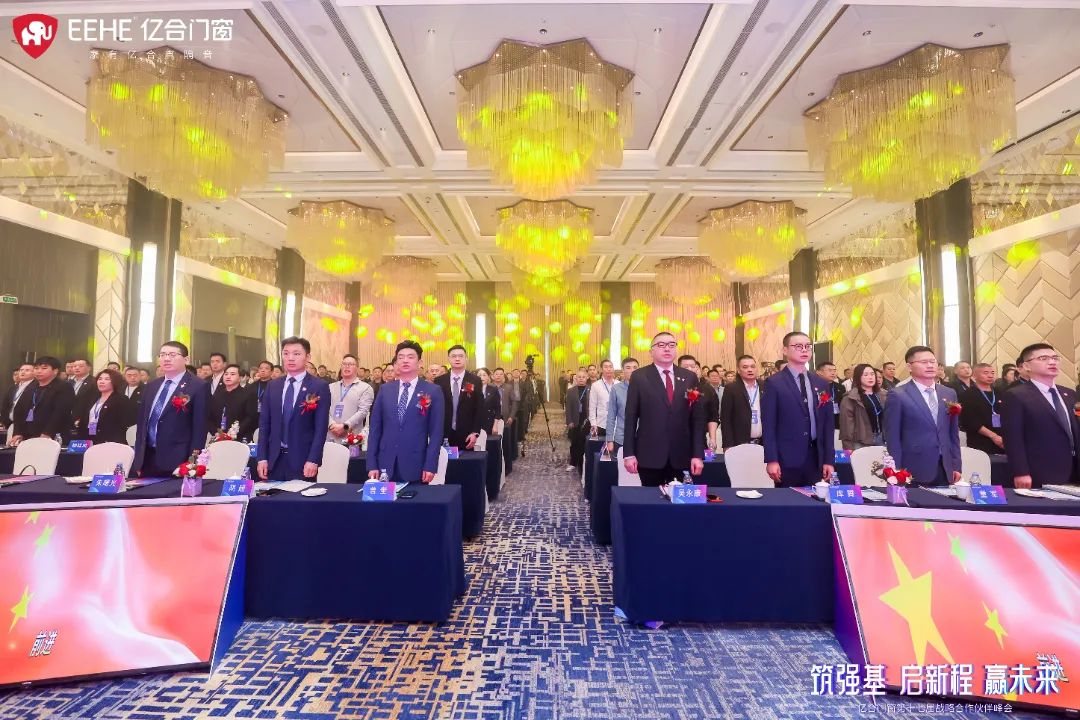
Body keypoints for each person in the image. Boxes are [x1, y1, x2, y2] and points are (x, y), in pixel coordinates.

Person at [622, 332, 706, 487]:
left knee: (679, 500)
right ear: (651, 351)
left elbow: (697, 418)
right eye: (661, 345)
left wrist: (697, 454)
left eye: (671, 345)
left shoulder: (689, 377)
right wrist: (629, 453)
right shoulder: (639, 377)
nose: (667, 348)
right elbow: (631, 416)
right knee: (650, 499)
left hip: (681, 455)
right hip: (649, 454)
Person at [762, 332, 836, 487]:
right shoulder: (774, 383)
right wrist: (772, 459)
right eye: (798, 346)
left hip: (816, 457)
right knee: (788, 500)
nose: (804, 350)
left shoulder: (821, 383)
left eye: (807, 346)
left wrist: (829, 460)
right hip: (787, 457)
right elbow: (769, 424)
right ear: (785, 350)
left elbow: (828, 425)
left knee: (814, 499)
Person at [1002, 343, 1080, 488]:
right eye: (1043, 358)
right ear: (1026, 366)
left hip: (1074, 469)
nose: (1052, 362)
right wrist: (1021, 472)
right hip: (1040, 470)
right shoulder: (1016, 395)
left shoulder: (1069, 394)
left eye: (1055, 358)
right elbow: (1013, 438)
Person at [366, 340, 445, 484]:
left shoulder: (433, 391)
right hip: (385, 463)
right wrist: (371, 463)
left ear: (420, 363)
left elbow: (436, 432)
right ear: (396, 363)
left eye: (410, 357)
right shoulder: (385, 390)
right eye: (401, 357)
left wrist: (430, 465)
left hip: (416, 463)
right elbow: (375, 428)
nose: (405, 360)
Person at [883, 346, 962, 486]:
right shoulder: (898, 395)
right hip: (913, 469)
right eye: (924, 362)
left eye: (933, 361)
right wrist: (896, 471)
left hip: (945, 468)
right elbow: (892, 437)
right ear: (909, 366)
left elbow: (953, 433)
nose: (930, 365)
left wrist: (956, 465)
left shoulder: (949, 393)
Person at [256, 337, 331, 481]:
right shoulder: (273, 385)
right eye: (286, 353)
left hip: (303, 460)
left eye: (296, 354)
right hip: (274, 460)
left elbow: (320, 428)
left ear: (307, 357)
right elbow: (264, 425)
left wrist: (313, 459)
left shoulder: (318, 386)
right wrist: (262, 457)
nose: (290, 358)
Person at [132, 342, 208, 478]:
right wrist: (138, 460)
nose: (166, 359)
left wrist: (192, 463)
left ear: (186, 359)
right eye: (162, 355)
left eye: (172, 355)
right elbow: (142, 424)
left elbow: (199, 428)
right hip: (147, 459)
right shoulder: (152, 386)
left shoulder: (198, 386)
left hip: (178, 461)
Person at [11, 357, 76, 446]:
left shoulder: (64, 387)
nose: (39, 371)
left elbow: (61, 412)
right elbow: (19, 410)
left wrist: (48, 432)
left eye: (44, 368)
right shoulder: (32, 386)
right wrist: (18, 432)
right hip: (28, 435)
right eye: (36, 368)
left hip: (53, 435)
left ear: (55, 371)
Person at [434, 345, 484, 450]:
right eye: (454, 356)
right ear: (448, 359)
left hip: (467, 434)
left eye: (461, 356)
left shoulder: (475, 380)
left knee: (465, 460)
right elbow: (435, 408)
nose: (457, 359)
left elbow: (479, 408)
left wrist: (475, 432)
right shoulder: (439, 381)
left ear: (466, 359)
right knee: (444, 460)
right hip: (444, 432)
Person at [73, 369, 133, 445]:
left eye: (107, 379)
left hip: (111, 441)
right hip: (90, 437)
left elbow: (123, 423)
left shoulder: (121, 399)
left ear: (115, 382)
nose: (102, 381)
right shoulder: (92, 398)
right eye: (100, 379)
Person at [959, 363, 1005, 456]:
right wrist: (993, 436)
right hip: (980, 441)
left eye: (992, 373)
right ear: (974, 376)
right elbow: (970, 421)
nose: (990, 375)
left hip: (1001, 440)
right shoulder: (968, 395)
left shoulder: (999, 392)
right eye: (986, 373)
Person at [839, 364, 886, 451]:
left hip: (881, 439)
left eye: (872, 374)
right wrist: (847, 447)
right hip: (861, 441)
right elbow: (846, 426)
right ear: (858, 377)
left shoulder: (883, 394)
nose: (870, 377)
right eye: (866, 375)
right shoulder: (850, 397)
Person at [327, 354, 374, 442]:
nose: (347, 366)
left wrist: (345, 426)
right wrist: (331, 424)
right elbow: (324, 409)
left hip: (352, 438)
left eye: (351, 364)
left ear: (357, 368)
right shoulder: (330, 387)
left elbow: (363, 412)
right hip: (330, 435)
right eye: (344, 364)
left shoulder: (365, 388)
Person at [720, 355, 763, 449]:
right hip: (739, 443)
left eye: (752, 366)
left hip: (763, 442)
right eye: (745, 367)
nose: (750, 370)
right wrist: (727, 445)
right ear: (738, 370)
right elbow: (726, 418)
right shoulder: (731, 389)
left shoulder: (765, 386)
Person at [208, 364, 259, 442]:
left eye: (232, 374)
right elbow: (209, 417)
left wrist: (233, 433)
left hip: (241, 438)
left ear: (240, 378)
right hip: (218, 438)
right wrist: (215, 432)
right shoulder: (217, 395)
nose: (228, 377)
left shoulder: (248, 394)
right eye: (226, 374)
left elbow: (251, 418)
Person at [604, 357, 638, 457]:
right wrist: (609, 439)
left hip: (643, 438)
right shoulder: (616, 389)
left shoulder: (645, 388)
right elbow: (611, 416)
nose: (632, 370)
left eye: (635, 367)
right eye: (628, 368)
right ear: (622, 370)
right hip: (622, 438)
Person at [564, 370, 590, 473]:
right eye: (579, 377)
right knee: (574, 442)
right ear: (576, 378)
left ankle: (583, 463)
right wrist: (569, 421)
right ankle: (573, 463)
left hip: (587, 420)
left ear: (587, 378)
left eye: (583, 377)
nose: (581, 379)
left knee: (585, 442)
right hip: (575, 420)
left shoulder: (591, 389)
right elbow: (568, 407)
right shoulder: (571, 391)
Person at [588, 360, 618, 442]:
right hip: (601, 424)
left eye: (610, 367)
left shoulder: (618, 384)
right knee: (601, 448)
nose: (609, 369)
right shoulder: (596, 385)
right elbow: (592, 407)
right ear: (601, 369)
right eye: (606, 367)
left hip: (617, 424)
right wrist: (593, 424)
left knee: (617, 448)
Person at [492, 367, 519, 455]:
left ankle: (507, 459)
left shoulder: (509, 387)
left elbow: (514, 403)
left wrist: (511, 416)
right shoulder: (489, 387)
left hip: (505, 417)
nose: (498, 376)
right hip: (492, 418)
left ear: (503, 376)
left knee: (505, 440)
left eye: (501, 374)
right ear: (493, 376)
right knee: (493, 440)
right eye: (496, 374)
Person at [2, 363, 34, 429]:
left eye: (27, 370)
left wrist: (28, 425)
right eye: (21, 370)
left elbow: (33, 408)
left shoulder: (37, 387)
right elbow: (5, 406)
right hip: (11, 424)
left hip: (27, 426)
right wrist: (5, 421)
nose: (23, 372)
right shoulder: (12, 388)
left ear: (34, 373)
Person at [816, 361, 845, 426]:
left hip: (837, 419)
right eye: (830, 370)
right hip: (821, 420)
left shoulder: (840, 387)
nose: (833, 373)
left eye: (834, 370)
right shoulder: (815, 386)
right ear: (819, 372)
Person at [477, 367, 501, 435]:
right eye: (479, 375)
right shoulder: (472, 389)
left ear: (488, 377)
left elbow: (498, 409)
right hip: (475, 423)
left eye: (484, 375)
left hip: (489, 422)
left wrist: (495, 425)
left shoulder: (493, 389)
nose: (482, 377)